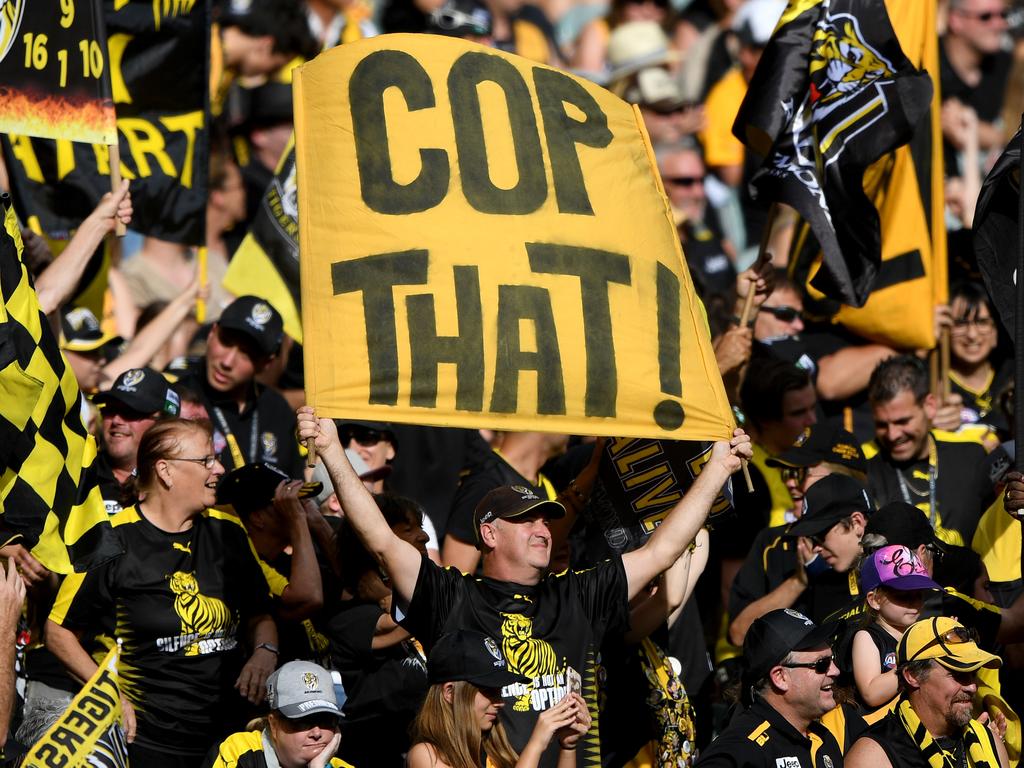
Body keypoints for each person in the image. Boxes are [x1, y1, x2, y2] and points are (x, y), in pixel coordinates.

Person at [297, 406, 750, 767]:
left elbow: (661, 552)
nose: (543, 528)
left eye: (547, 519)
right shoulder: (453, 599)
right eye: (526, 519)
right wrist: (333, 449)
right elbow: (380, 540)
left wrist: (717, 469)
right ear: (489, 534)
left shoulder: (576, 594)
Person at [46, 418, 278, 766]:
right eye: (206, 460)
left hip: (228, 735)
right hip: (148, 738)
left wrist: (265, 652)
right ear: (165, 471)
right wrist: (110, 695)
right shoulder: (112, 539)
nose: (219, 468)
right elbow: (58, 631)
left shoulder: (229, 531)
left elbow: (261, 614)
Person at [408, 628, 590, 768]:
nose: (500, 701)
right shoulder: (426, 756)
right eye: (489, 690)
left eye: (499, 690)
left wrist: (568, 747)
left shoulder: (492, 748)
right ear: (450, 692)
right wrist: (536, 744)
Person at [695, 608, 854, 768]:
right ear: (780, 677)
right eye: (822, 664)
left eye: (832, 659)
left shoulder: (824, 739)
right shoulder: (743, 750)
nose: (835, 671)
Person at [845, 617, 1008, 768]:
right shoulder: (874, 755)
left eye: (974, 673)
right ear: (912, 676)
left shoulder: (990, 743)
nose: (972, 687)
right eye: (957, 674)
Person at [866, 355, 993, 547]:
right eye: (882, 425)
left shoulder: (971, 453)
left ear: (930, 406)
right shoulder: (863, 466)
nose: (892, 435)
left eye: (902, 421)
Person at [177, 295, 303, 476]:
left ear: (266, 363)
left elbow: (295, 486)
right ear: (212, 333)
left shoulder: (277, 410)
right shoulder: (178, 399)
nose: (227, 362)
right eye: (226, 342)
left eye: (246, 353)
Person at [203, 660, 351, 768]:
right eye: (302, 721)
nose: (317, 732)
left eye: (327, 720)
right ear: (273, 724)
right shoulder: (238, 753)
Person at [850, 545, 941, 709]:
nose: (915, 603)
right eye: (904, 596)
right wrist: (915, 659)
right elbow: (871, 693)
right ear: (875, 600)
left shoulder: (919, 633)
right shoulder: (867, 637)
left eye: (919, 594)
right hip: (880, 730)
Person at [93, 366, 181, 515]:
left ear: (163, 425)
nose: (116, 420)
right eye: (110, 410)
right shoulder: (81, 473)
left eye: (130, 412)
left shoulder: (182, 483)